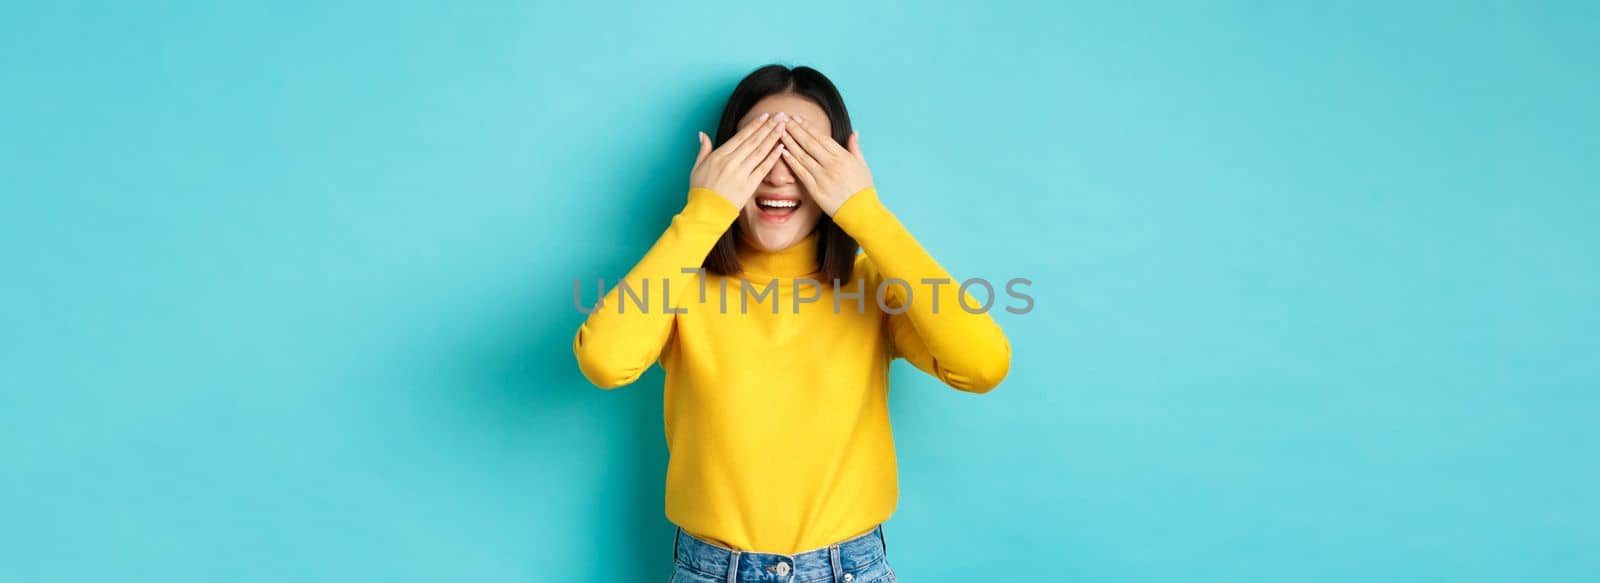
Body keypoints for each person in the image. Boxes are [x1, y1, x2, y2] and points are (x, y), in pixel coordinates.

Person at [573, 64, 1011, 582]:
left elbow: (982, 365)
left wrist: (865, 213)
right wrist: (705, 211)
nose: (780, 174)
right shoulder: (679, 283)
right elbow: (604, 360)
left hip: (850, 568)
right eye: (759, 150)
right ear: (722, 161)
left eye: (805, 153)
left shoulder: (872, 286)